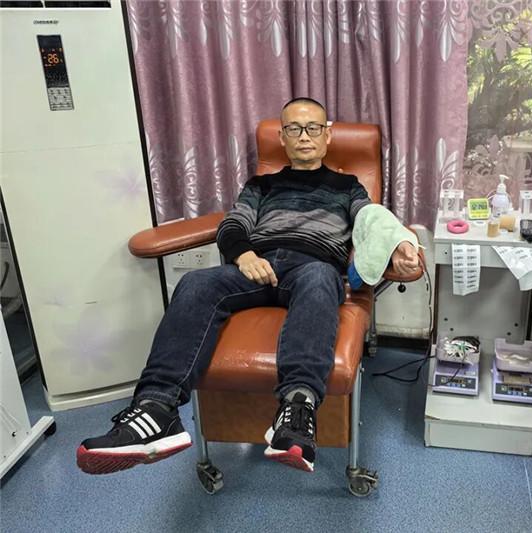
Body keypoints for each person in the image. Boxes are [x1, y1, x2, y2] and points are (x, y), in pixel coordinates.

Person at [76, 97, 419, 474]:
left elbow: (372, 221)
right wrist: (244, 256)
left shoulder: (347, 186)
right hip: (256, 266)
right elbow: (234, 224)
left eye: (313, 128)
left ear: (327, 136)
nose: (304, 136)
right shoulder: (261, 185)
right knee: (195, 283)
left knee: (321, 277)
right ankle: (157, 410)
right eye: (294, 129)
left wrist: (399, 245)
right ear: (283, 138)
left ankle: (297, 410)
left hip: (312, 267)